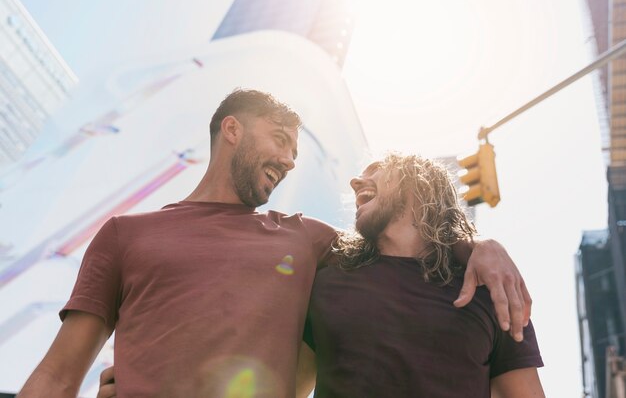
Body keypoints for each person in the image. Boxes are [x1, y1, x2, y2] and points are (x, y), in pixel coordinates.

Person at [18, 90, 530, 398]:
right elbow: (57, 376)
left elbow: (407, 243)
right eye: (281, 138)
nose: (289, 159)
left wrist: (482, 245)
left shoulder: (307, 240)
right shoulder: (124, 235)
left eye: (295, 151)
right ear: (232, 129)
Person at [298, 153, 544, 397]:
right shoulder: (328, 282)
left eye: (377, 169)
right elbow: (286, 388)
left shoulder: (491, 292)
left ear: (420, 184)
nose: (355, 182)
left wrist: (484, 245)